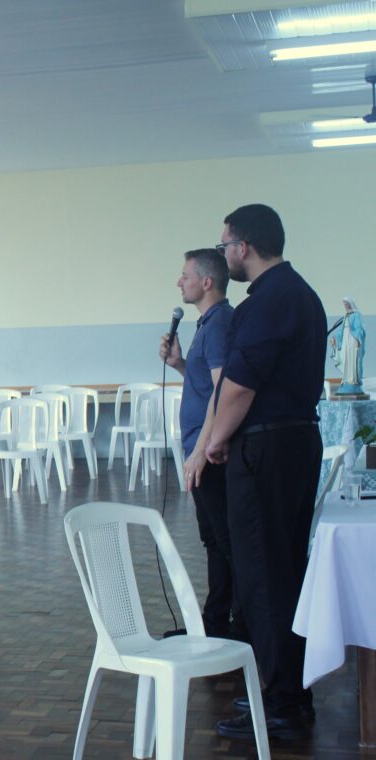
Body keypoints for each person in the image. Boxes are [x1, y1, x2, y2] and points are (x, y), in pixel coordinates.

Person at [205, 204, 326, 741]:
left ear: (244, 246)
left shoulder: (267, 301)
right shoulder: (299, 293)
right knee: (284, 571)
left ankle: (280, 707)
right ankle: (293, 696)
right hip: (295, 443)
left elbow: (238, 387)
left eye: (225, 242)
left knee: (263, 578)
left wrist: (213, 442)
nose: (225, 250)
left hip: (266, 451)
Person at [158, 249, 243, 640]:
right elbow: (207, 383)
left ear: (206, 282)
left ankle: (240, 628)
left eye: (185, 275)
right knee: (213, 539)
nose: (180, 282)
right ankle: (214, 623)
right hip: (202, 449)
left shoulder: (221, 323)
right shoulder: (207, 323)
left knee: (226, 542)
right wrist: (179, 364)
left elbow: (223, 389)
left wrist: (200, 449)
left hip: (209, 453)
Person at [330, 297, 366, 394]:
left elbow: (359, 328)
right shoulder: (346, 316)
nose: (345, 306)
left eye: (346, 304)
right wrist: (335, 338)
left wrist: (358, 339)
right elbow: (341, 331)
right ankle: (346, 379)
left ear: (350, 304)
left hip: (353, 339)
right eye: (344, 304)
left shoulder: (356, 315)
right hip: (345, 339)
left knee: (352, 359)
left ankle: (353, 380)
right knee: (345, 358)